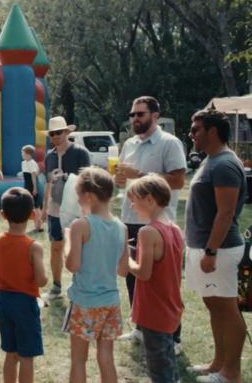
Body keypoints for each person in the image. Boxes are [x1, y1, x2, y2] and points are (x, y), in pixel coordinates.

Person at [114, 96, 187, 351]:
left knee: (164, 283)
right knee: (134, 279)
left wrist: (140, 175)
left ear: (155, 116)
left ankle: (173, 337)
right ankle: (140, 328)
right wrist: (121, 180)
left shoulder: (170, 143)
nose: (135, 119)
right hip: (131, 217)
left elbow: (177, 181)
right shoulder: (129, 143)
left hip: (158, 224)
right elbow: (124, 180)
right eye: (132, 114)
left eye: (140, 114)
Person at [184, 109, 249, 383]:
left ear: (212, 132)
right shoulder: (211, 160)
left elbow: (226, 213)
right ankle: (218, 365)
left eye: (195, 129)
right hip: (206, 248)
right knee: (215, 308)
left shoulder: (224, 164)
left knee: (227, 309)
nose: (191, 134)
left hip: (219, 250)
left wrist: (210, 250)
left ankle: (231, 374)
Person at [64, 167, 129, 383]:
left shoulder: (80, 225)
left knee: (78, 359)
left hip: (85, 302)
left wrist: (68, 242)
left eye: (78, 195)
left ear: (88, 196)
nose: (77, 200)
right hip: (111, 302)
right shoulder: (122, 227)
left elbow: (72, 266)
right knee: (107, 358)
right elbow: (123, 270)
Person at [125, 175, 184, 383]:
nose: (132, 207)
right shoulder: (175, 229)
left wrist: (125, 257)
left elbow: (144, 273)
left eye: (134, 201)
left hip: (154, 310)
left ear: (149, 199)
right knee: (168, 363)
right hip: (170, 307)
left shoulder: (148, 232)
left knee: (159, 370)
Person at [0, 188, 48, 383]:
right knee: (26, 358)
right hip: (25, 303)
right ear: (32, 215)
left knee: (11, 353)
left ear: (3, 214)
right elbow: (41, 281)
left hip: (4, 301)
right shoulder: (34, 246)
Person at [43, 116, 92, 300]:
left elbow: (88, 182)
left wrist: (87, 210)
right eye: (51, 133)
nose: (55, 136)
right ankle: (56, 288)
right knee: (55, 247)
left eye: (58, 132)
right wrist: (44, 209)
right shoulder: (50, 156)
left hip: (77, 210)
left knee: (79, 249)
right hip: (54, 210)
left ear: (67, 131)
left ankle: (81, 286)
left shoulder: (80, 152)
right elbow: (48, 184)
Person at [20, 145, 42, 233]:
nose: (22, 154)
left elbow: (34, 175)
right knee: (28, 206)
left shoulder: (32, 163)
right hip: (27, 185)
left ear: (28, 153)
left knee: (36, 206)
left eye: (23, 153)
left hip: (32, 186)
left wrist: (35, 188)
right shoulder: (23, 163)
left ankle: (38, 226)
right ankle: (35, 225)